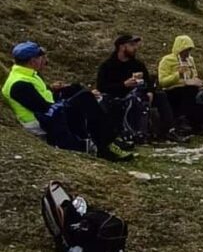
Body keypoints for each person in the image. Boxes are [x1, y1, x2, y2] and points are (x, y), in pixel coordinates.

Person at [2, 41, 132, 162]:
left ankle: (108, 139)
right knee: (85, 98)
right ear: (33, 61)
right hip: (41, 121)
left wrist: (60, 91)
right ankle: (106, 145)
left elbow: (43, 98)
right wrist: (65, 101)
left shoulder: (27, 74)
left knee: (75, 88)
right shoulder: (19, 84)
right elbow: (43, 108)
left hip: (47, 113)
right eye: (41, 58)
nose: (44, 61)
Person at [96, 34, 182, 141]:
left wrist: (150, 91)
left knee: (160, 96)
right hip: (119, 97)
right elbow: (101, 87)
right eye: (132, 45)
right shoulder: (108, 66)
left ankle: (169, 130)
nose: (135, 48)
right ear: (122, 47)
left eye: (136, 45)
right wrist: (123, 85)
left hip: (140, 94)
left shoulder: (137, 64)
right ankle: (136, 132)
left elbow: (149, 81)